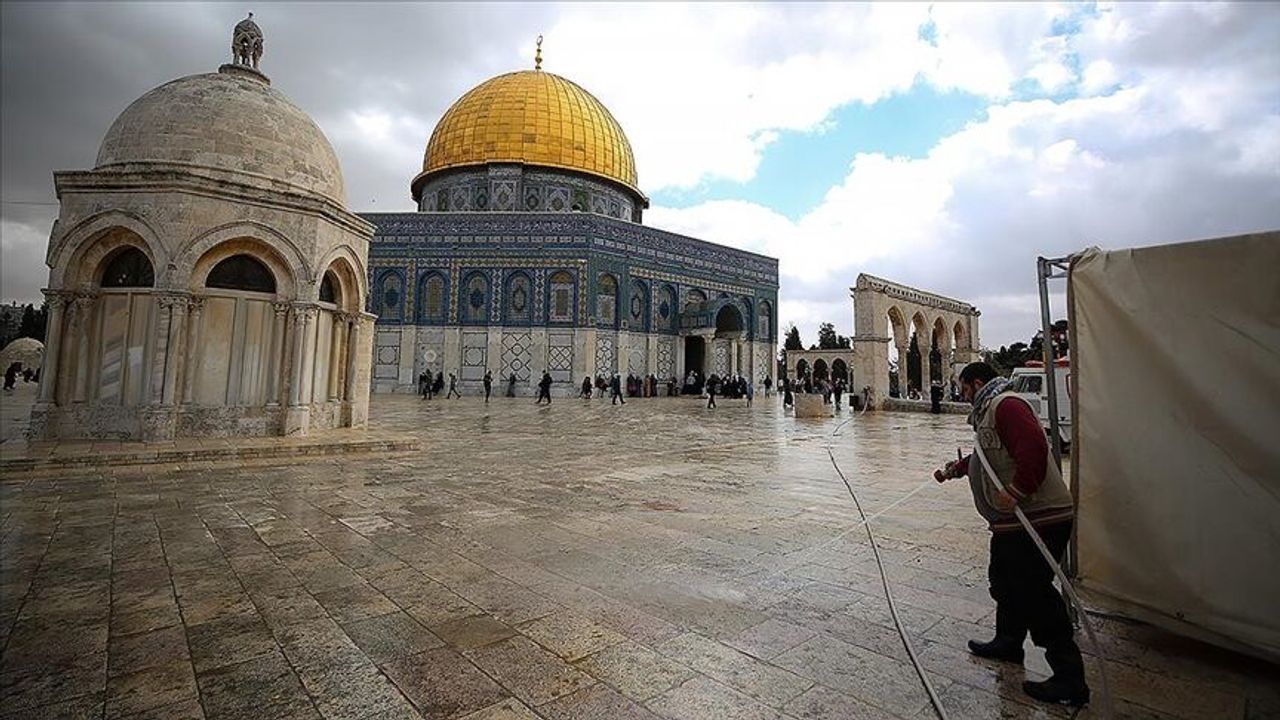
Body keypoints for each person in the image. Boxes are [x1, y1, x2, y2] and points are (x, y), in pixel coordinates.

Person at [933, 362, 1088, 707]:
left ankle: (1069, 677)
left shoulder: (1008, 405)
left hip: (1037, 518)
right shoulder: (991, 409)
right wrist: (956, 469)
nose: (963, 395)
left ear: (977, 383)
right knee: (1004, 580)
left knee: (1035, 593)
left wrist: (1017, 489)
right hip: (1011, 523)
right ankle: (1008, 642)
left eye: (964, 388)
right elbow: (990, 455)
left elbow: (1032, 447)